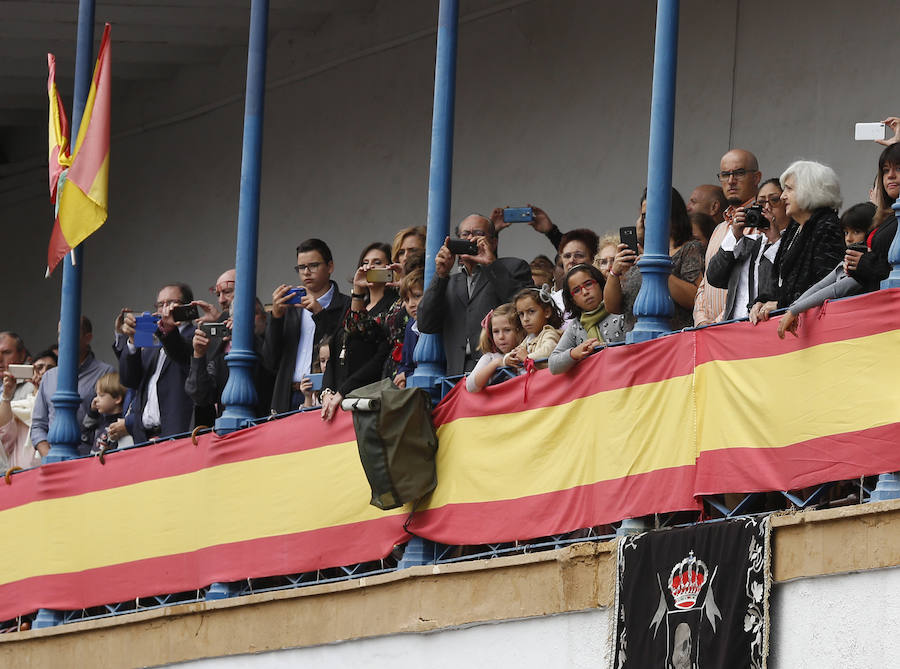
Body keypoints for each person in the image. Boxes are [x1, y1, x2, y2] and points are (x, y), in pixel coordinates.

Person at [417, 214, 532, 375]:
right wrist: (440, 275)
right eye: (465, 235)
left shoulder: (513, 267)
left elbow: (526, 307)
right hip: (457, 375)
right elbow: (425, 324)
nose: (470, 239)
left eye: (478, 233)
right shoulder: (449, 281)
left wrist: (491, 265)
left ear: (494, 242)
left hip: (503, 370)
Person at [750, 160, 845, 323]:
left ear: (810, 190)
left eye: (789, 189)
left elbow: (825, 286)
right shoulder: (795, 226)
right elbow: (781, 282)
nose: (782, 196)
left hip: (815, 327)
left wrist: (782, 304)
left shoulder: (827, 226)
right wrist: (762, 301)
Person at [264, 238, 351, 413]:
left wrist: (320, 314)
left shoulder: (346, 304)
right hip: (289, 395)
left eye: (313, 265)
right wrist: (276, 317)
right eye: (301, 268)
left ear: (330, 267)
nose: (306, 272)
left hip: (326, 397)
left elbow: (344, 349)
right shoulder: (289, 308)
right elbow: (270, 361)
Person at [605, 187, 704, 331]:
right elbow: (613, 307)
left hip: (672, 339)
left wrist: (655, 268)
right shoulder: (640, 253)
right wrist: (615, 272)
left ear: (672, 213)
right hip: (635, 341)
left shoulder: (689, 249)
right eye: (644, 215)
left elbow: (695, 299)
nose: (648, 220)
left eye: (654, 212)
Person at [776, 203, 878, 339]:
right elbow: (822, 285)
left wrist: (794, 310)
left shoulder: (866, 267)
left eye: (857, 232)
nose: (849, 238)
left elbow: (836, 290)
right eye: (846, 232)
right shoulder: (846, 262)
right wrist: (793, 308)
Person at [319, 242, 397, 422]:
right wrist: (327, 393)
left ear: (390, 268)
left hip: (367, 397)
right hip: (338, 399)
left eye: (377, 262)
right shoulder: (353, 304)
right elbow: (334, 348)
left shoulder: (395, 305)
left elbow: (381, 356)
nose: (369, 267)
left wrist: (343, 391)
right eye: (365, 262)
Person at [118, 283, 196, 443]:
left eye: (171, 303)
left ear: (186, 306)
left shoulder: (195, 335)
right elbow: (129, 380)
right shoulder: (152, 339)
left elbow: (181, 354)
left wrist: (168, 331)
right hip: (144, 437)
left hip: (178, 434)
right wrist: (132, 342)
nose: (164, 309)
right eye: (161, 304)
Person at [694, 150, 763, 326]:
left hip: (741, 329)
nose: (731, 181)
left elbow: (749, 289)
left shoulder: (765, 225)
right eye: (725, 175)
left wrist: (718, 324)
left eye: (739, 173)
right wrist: (702, 321)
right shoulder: (719, 229)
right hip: (710, 335)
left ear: (756, 178)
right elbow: (704, 285)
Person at [705, 178, 788, 321]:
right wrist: (735, 234)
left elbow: (787, 281)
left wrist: (775, 240)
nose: (766, 207)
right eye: (761, 203)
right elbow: (714, 277)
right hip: (735, 327)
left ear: (787, 203)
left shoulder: (794, 242)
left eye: (774, 200)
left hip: (771, 326)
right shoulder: (749, 243)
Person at [32, 317, 114, 458]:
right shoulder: (49, 376)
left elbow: (110, 421)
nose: (63, 338)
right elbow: (38, 425)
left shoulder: (105, 372)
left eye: (70, 332)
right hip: (53, 458)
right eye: (59, 333)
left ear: (88, 338)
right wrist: (49, 456)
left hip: (90, 458)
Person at [550, 264, 624, 374]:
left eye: (588, 284)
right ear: (572, 300)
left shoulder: (620, 310)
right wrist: (575, 353)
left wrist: (607, 349)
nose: (585, 292)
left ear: (600, 284)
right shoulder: (576, 326)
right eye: (576, 290)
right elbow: (553, 365)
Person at [846, 143, 900, 293]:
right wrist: (857, 267)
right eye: (886, 170)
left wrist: (865, 263)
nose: (890, 175)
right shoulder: (888, 216)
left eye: (898, 169)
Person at [0, 348, 56, 469]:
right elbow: (4, 436)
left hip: (50, 472)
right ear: (30, 374)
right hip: (19, 477)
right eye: (39, 368)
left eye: (50, 369)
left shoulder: (58, 407)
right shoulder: (19, 407)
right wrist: (7, 394)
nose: (44, 373)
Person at [465, 303, 524, 393]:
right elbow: (470, 387)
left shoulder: (527, 352)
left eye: (507, 330)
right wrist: (497, 363)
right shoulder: (490, 358)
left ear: (519, 330)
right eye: (496, 331)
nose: (501, 336)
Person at [506, 286, 563, 369]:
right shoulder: (529, 338)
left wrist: (527, 357)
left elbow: (548, 351)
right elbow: (516, 351)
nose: (525, 319)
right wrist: (508, 358)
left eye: (531, 311)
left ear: (547, 312)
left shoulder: (549, 333)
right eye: (521, 314)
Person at [84, 372, 134, 455]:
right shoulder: (102, 420)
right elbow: (86, 434)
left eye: (101, 395)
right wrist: (92, 413)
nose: (95, 399)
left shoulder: (120, 426)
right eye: (96, 395)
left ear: (117, 398)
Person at [394, 268, 425, 389]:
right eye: (406, 300)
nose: (411, 304)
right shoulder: (410, 325)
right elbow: (406, 364)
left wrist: (407, 375)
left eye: (417, 296)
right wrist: (402, 376)